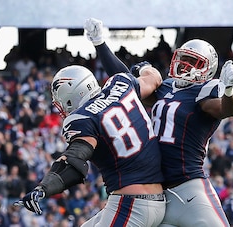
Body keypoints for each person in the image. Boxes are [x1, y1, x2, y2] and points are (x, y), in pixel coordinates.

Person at [85, 18, 233, 226]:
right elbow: (124, 84)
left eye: (194, 63)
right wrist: (100, 43)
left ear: (208, 70)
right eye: (184, 59)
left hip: (188, 189)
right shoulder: (165, 88)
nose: (185, 66)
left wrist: (229, 90)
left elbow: (226, 109)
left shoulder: (204, 91)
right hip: (155, 190)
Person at [14, 32, 166, 226]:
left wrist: (44, 188)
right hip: (156, 200)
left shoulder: (82, 117)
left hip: (131, 204)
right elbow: (154, 78)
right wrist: (144, 66)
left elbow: (75, 160)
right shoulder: (121, 84)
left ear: (72, 95)